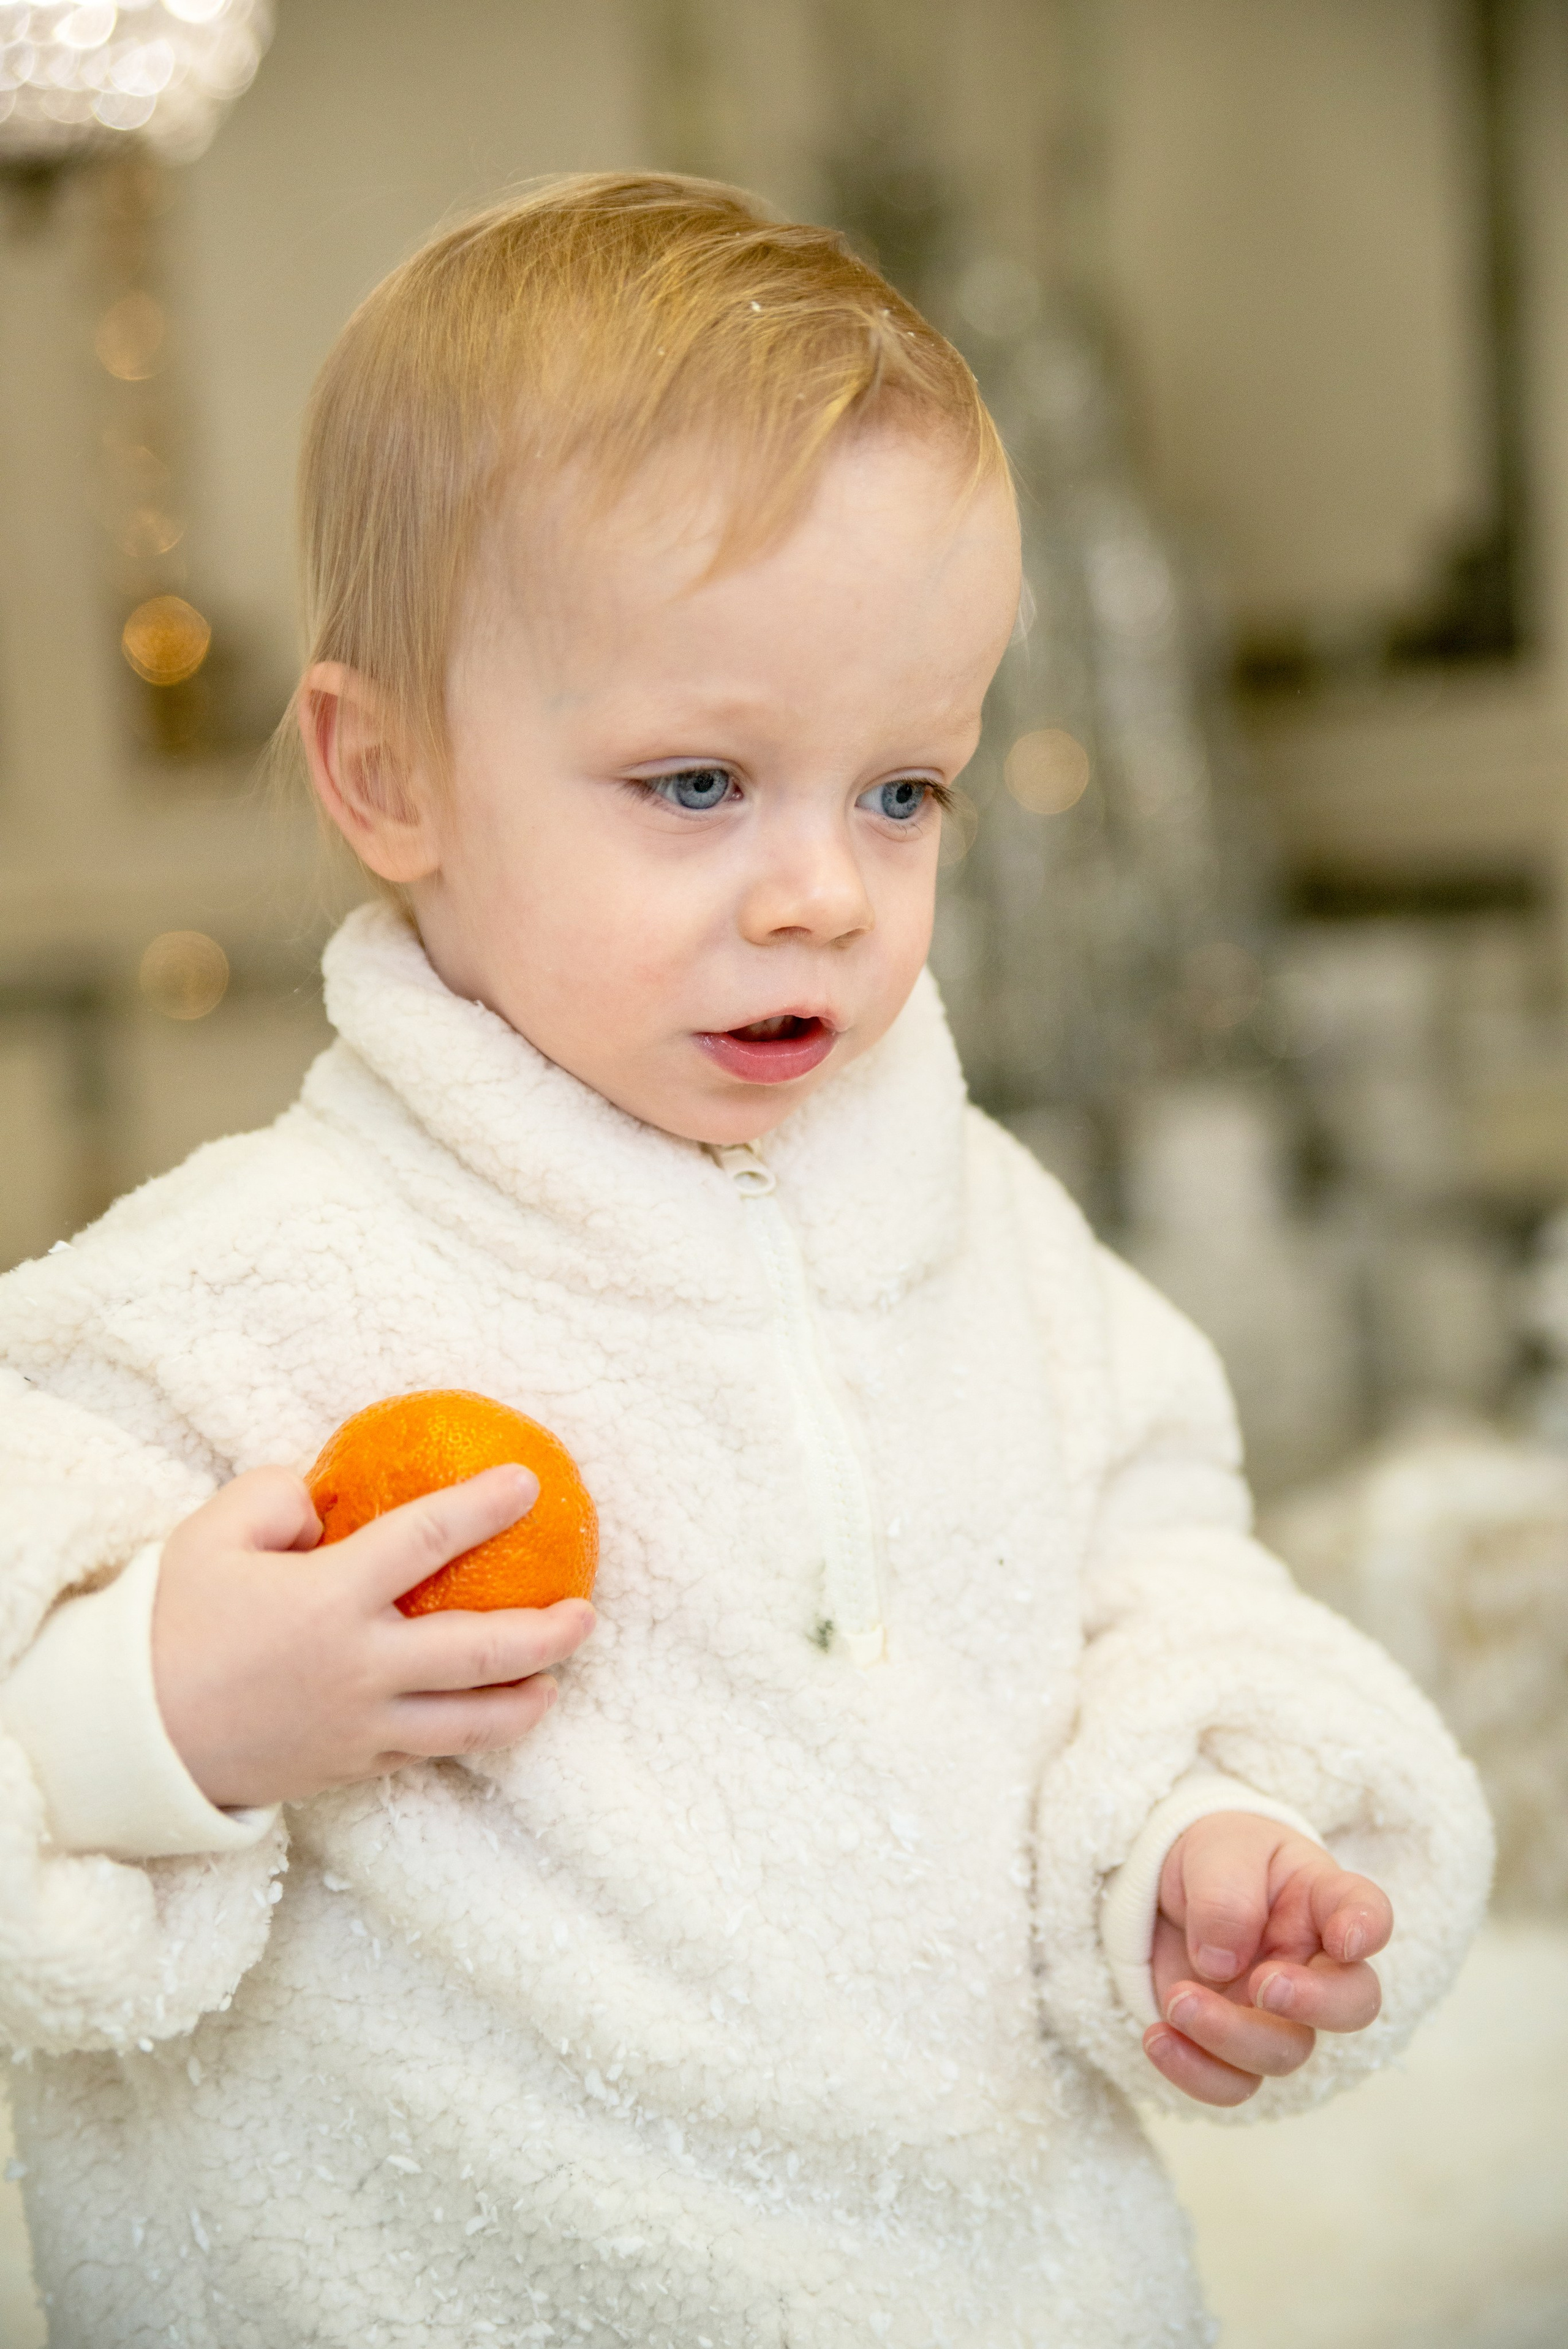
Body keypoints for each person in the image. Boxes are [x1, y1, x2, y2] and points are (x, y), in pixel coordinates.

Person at [0, 175, 1490, 2348]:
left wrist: (1203, 1821)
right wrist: (156, 1710)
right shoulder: (224, 1306)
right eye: (699, 782)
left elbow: (1160, 1588)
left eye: (905, 792)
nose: (823, 890)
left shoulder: (1004, 1257)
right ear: (388, 769)